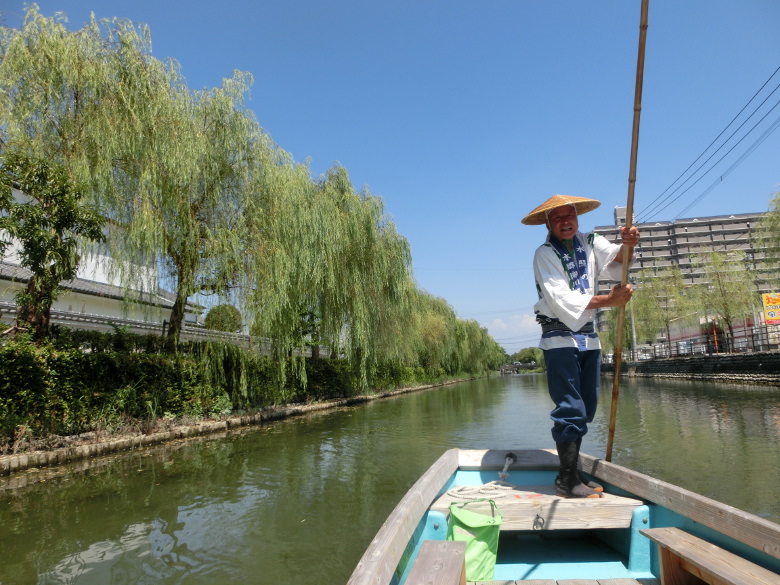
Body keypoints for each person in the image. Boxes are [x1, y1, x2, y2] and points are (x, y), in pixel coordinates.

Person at [521, 194, 640, 498]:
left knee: (586, 407)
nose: (565, 221)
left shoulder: (591, 241)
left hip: (588, 336)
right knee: (570, 408)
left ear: (577, 217)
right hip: (559, 338)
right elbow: (559, 298)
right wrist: (608, 301)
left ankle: (573, 474)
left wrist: (629, 243)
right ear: (548, 223)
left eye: (569, 215)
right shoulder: (544, 254)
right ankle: (566, 478)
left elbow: (618, 260)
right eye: (558, 217)